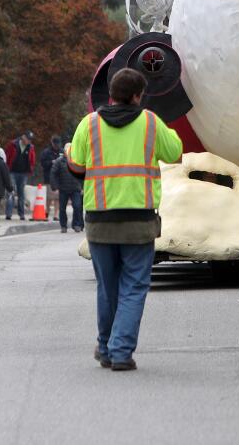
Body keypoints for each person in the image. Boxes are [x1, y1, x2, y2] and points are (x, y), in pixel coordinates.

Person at [67, 68, 183, 371]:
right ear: (137, 96)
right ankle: (119, 350)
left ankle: (106, 347)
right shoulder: (150, 124)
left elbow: (76, 166)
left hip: (99, 218)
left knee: (108, 287)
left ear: (111, 94)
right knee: (133, 287)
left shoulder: (89, 125)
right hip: (138, 220)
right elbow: (175, 153)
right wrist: (158, 122)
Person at [50, 141, 84, 233]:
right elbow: (53, 174)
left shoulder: (78, 161)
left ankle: (76, 224)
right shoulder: (59, 161)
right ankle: (63, 226)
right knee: (62, 208)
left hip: (76, 189)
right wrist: (55, 187)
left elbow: (83, 174)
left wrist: (83, 187)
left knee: (77, 206)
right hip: (63, 189)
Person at [5, 131, 35, 220]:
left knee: (21, 193)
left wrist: (30, 169)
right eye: (28, 139)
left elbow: (32, 159)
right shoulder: (13, 144)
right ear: (23, 137)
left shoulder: (30, 147)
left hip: (23, 173)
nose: (28, 141)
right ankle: (8, 214)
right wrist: (7, 168)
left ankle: (21, 214)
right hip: (12, 172)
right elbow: (7, 155)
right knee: (11, 192)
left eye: (30, 140)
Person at [39, 135, 63, 221]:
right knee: (49, 197)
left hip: (59, 178)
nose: (57, 146)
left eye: (58, 144)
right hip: (48, 177)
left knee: (57, 197)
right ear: (52, 143)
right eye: (55, 144)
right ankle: (47, 212)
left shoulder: (62, 152)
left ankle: (56, 215)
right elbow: (42, 163)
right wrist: (51, 162)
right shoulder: (46, 152)